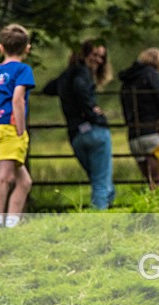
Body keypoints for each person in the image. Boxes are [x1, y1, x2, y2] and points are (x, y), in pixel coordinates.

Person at [43, 39, 115, 209]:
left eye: (101, 57)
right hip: (95, 132)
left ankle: (107, 208)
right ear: (83, 54)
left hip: (76, 135)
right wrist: (91, 112)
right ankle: (98, 222)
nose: (98, 60)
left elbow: (48, 89)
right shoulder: (83, 75)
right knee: (101, 183)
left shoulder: (67, 75)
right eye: (94, 55)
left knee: (101, 181)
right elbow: (80, 87)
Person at [0, 24, 34, 231]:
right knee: (5, 177)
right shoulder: (23, 69)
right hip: (9, 127)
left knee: (24, 182)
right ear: (27, 48)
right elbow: (18, 99)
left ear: (0, 48)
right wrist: (20, 129)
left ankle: (12, 225)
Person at [118, 47, 159, 190]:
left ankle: (149, 208)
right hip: (151, 133)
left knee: (149, 180)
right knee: (158, 180)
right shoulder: (151, 75)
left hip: (133, 137)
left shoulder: (126, 81)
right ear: (158, 61)